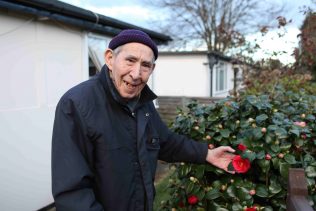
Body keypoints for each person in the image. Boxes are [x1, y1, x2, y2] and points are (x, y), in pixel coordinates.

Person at [51, 29, 235, 211]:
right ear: (110, 58)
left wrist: (207, 154)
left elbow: (166, 143)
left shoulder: (142, 103)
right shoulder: (76, 104)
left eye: (145, 65)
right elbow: (73, 194)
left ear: (152, 69)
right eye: (130, 61)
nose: (137, 73)